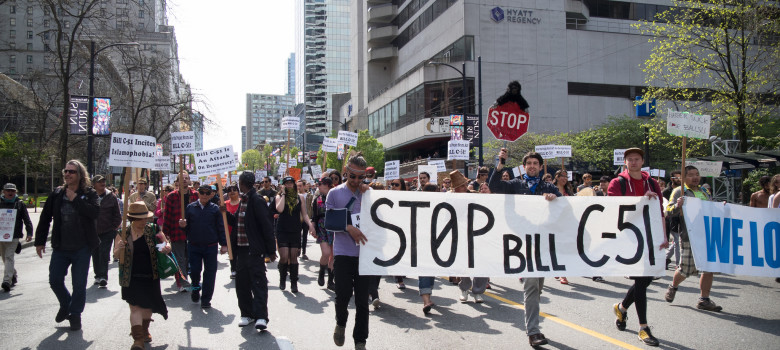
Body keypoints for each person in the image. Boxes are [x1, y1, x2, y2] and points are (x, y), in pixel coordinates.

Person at [489, 149, 561, 347]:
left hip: (543, 244)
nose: (531, 166)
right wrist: (500, 163)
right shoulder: (515, 185)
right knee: (530, 286)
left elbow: (564, 209)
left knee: (537, 288)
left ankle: (533, 321)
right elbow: (494, 186)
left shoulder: (549, 187)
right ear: (524, 166)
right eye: (528, 163)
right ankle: (533, 331)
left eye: (535, 163)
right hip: (522, 244)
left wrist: (555, 199)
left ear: (540, 166)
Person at [608, 147, 668, 347]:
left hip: (650, 238)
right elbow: (614, 209)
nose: (633, 162)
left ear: (642, 162)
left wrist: (664, 235)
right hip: (629, 240)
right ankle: (643, 327)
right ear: (625, 162)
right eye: (630, 159)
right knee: (642, 282)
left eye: (637, 159)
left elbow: (659, 211)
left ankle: (622, 307)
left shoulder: (651, 182)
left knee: (646, 279)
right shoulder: (618, 183)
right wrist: (641, 201)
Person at [35, 160, 99, 331]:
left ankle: (75, 314)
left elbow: (94, 213)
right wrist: (40, 241)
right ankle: (66, 304)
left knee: (79, 284)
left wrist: (76, 199)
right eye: (66, 171)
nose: (68, 174)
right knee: (55, 280)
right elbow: (45, 218)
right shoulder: (57, 194)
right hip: (61, 247)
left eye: (72, 171)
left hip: (82, 248)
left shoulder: (89, 193)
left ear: (80, 175)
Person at [664, 165, 723, 312]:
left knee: (708, 267)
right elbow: (668, 211)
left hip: (707, 233)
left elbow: (712, 208)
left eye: (697, 174)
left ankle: (704, 299)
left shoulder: (704, 191)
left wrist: (721, 207)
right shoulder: (679, 191)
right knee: (686, 269)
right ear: (683, 178)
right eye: (690, 175)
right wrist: (678, 206)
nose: (695, 177)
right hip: (689, 235)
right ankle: (673, 286)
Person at [224, 171, 277, 330]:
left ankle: (261, 316)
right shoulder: (244, 200)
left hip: (254, 250)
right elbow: (239, 222)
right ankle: (246, 314)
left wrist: (271, 250)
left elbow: (266, 226)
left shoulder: (256, 200)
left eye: (239, 182)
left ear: (242, 183)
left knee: (258, 282)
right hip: (241, 250)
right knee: (242, 284)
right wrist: (224, 213)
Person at [114, 201, 171, 350]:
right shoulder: (123, 233)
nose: (144, 221)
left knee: (147, 309)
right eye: (140, 218)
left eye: (145, 217)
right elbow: (115, 254)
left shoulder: (153, 229)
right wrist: (120, 248)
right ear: (133, 218)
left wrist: (167, 247)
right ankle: (137, 340)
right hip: (130, 277)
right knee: (135, 308)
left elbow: (165, 242)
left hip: (150, 275)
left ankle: (144, 330)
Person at [329, 153, 372, 350]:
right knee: (343, 295)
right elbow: (328, 221)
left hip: (365, 255)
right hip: (343, 253)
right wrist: (348, 227)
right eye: (352, 176)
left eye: (360, 177)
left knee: (363, 302)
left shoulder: (369, 193)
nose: (356, 181)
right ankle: (341, 323)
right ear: (346, 172)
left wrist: (369, 190)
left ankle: (360, 341)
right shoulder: (334, 194)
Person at [180, 185, 228, 309]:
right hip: (194, 246)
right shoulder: (190, 208)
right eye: (202, 192)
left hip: (211, 246)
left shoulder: (215, 209)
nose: (205, 195)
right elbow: (186, 228)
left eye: (208, 193)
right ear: (198, 193)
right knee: (194, 271)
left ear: (211, 194)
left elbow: (221, 227)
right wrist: (183, 225)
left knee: (210, 273)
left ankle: (206, 299)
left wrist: (224, 244)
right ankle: (195, 288)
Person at [450, 171, 490, 303]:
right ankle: (464, 288)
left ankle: (478, 291)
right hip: (460, 235)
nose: (460, 188)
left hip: (478, 234)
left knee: (482, 263)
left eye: (462, 185)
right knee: (463, 264)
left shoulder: (476, 196)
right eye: (457, 187)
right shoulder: (449, 198)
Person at [274, 177, 315, 293]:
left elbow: (305, 214)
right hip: (282, 229)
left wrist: (310, 225)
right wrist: (283, 194)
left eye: (291, 183)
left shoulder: (300, 197)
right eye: (286, 184)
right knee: (284, 256)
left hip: (295, 229)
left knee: (293, 256)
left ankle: (294, 282)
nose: (289, 185)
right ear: (283, 185)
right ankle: (282, 279)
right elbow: (280, 209)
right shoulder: (279, 197)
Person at [163, 171, 198, 292]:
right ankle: (182, 281)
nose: (184, 180)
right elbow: (167, 215)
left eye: (186, 178)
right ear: (177, 181)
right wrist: (165, 233)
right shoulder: (172, 196)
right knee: (180, 257)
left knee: (191, 257)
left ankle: (192, 278)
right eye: (181, 178)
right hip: (176, 231)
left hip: (193, 232)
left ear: (189, 180)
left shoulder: (196, 195)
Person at [0, 183, 33, 292]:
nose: (10, 192)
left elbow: (27, 219)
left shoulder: (19, 204)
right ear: (3, 192)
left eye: (12, 191)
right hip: (1, 235)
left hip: (14, 236)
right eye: (8, 190)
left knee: (9, 257)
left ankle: (6, 281)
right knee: (5, 258)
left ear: (16, 192)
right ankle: (13, 274)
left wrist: (29, 233)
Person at [91, 175, 121, 288]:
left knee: (104, 253)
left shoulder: (111, 197)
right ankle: (97, 275)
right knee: (95, 254)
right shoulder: (91, 197)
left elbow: (117, 215)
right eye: (99, 182)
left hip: (107, 231)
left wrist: (113, 228)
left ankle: (103, 276)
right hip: (93, 232)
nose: (102, 183)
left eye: (103, 181)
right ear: (94, 184)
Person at [310, 177, 336, 289]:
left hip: (335, 228)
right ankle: (322, 271)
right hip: (322, 227)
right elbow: (314, 216)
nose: (318, 186)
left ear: (328, 185)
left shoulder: (336, 198)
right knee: (326, 253)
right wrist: (313, 228)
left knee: (333, 256)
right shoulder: (317, 199)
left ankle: (331, 281)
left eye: (320, 184)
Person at [387, 178, 408, 290]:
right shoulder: (387, 197)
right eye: (392, 184)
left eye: (396, 184)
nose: (393, 186)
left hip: (404, 229)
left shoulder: (407, 197)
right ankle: (399, 279)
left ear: (402, 186)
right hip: (392, 230)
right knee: (396, 254)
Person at [553, 170, 572, 285]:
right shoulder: (550, 188)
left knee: (563, 249)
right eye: (562, 176)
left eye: (566, 176)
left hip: (565, 223)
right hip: (552, 224)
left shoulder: (568, 191)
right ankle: (554, 266)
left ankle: (562, 274)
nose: (564, 179)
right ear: (557, 177)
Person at [664, 170, 683, 269]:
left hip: (682, 219)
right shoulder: (666, 192)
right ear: (672, 179)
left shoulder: (684, 190)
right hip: (671, 219)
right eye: (677, 178)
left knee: (677, 241)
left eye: (681, 177)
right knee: (677, 241)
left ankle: (665, 259)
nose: (680, 179)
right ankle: (678, 264)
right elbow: (666, 207)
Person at [225, 185, 241, 279]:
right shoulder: (225, 204)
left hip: (241, 230)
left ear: (238, 192)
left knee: (241, 252)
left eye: (234, 190)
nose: (232, 192)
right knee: (232, 252)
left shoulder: (242, 202)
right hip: (229, 231)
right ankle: (233, 269)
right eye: (230, 190)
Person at [298, 179, 313, 261]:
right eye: (297, 186)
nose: (298, 187)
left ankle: (304, 252)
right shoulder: (295, 196)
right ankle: (298, 249)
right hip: (297, 219)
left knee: (304, 236)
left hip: (306, 218)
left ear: (304, 186)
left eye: (300, 186)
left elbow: (312, 207)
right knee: (297, 235)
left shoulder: (309, 196)